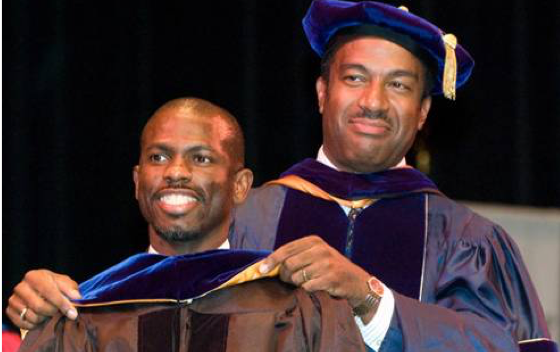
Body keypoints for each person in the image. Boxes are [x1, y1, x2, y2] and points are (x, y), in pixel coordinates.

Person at [8, 0, 556, 352]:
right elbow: (155, 309)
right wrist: (63, 300)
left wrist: (371, 299)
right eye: (355, 78)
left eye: (398, 85)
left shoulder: (469, 241)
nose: (372, 101)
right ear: (321, 92)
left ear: (422, 112)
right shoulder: (248, 212)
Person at [17, 98, 366, 351]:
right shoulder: (84, 314)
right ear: (138, 182)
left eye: (201, 158)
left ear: (240, 185)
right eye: (159, 157)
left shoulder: (303, 310)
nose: (176, 172)